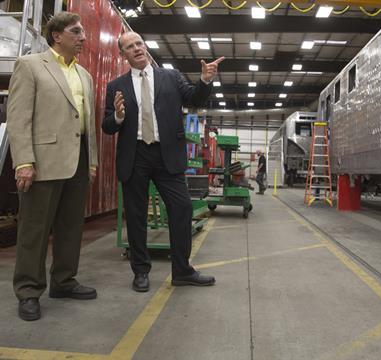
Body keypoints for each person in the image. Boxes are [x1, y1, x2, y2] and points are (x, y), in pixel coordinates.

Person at [102, 32, 222, 291]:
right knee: (135, 217)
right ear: (123, 54)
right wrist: (119, 117)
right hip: (134, 156)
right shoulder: (116, 86)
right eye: (129, 47)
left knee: (181, 210)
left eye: (139, 44)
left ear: (144, 47)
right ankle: (141, 272)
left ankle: (182, 270)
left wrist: (204, 80)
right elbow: (107, 125)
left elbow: (194, 99)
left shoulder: (170, 76)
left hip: (167, 154)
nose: (136, 49)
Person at [7, 12, 98, 321]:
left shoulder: (85, 75)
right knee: (34, 230)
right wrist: (24, 161)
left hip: (78, 161)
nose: (83, 37)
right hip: (43, 162)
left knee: (71, 228)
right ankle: (29, 291)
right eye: (76, 32)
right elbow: (19, 119)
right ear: (57, 35)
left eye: (83, 32)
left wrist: (93, 162)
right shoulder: (31, 65)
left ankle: (64, 281)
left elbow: (87, 124)